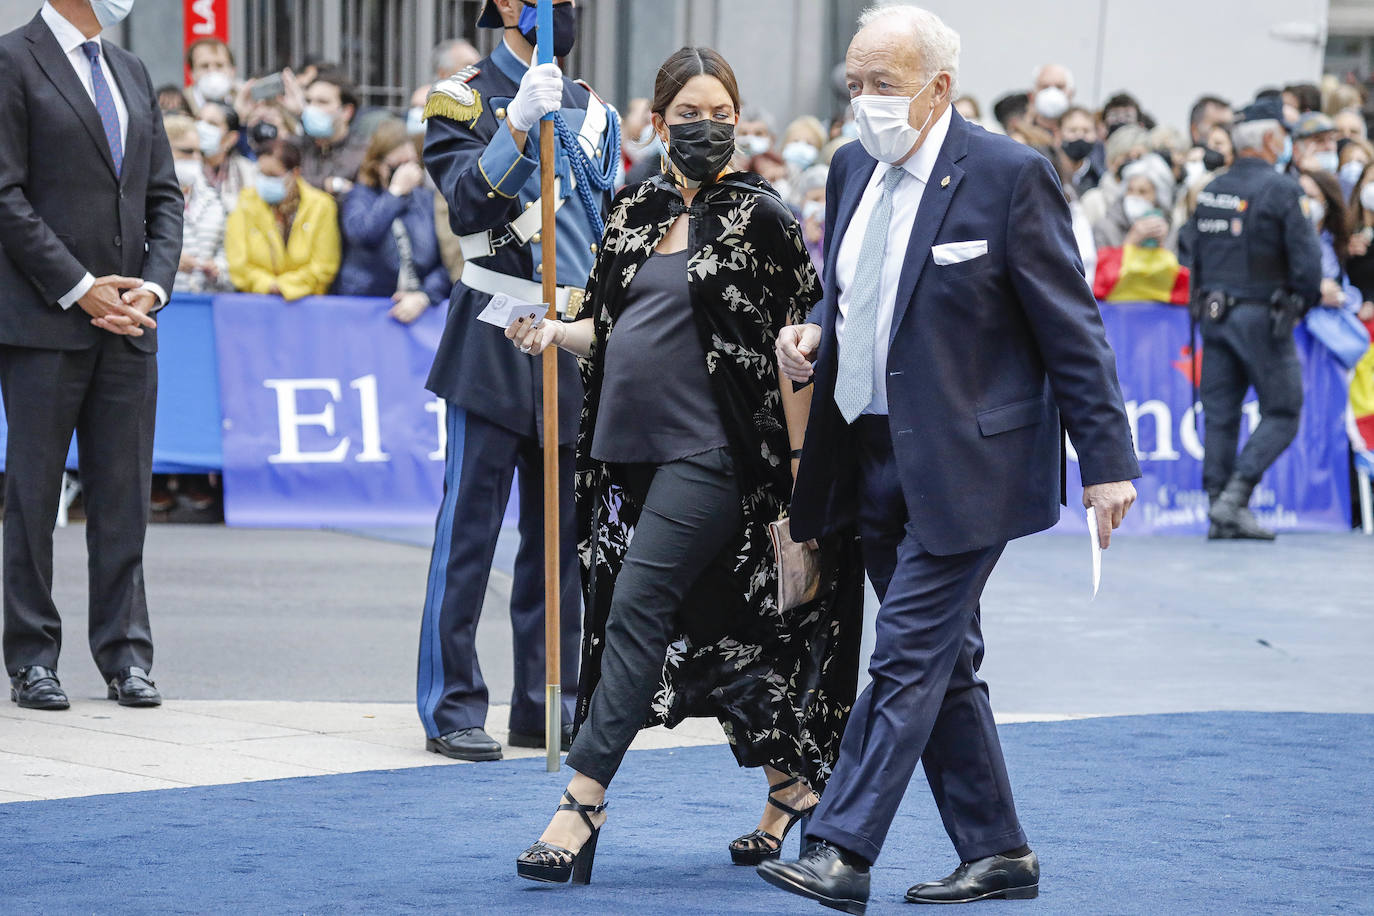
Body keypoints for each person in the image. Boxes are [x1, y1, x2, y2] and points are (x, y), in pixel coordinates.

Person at [759, 6, 1140, 911]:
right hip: (869, 456)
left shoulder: (1011, 176)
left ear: (939, 89)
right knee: (944, 663)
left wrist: (1105, 460)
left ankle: (841, 849)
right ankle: (999, 851)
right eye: (852, 85)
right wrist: (817, 330)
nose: (862, 104)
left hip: (973, 467)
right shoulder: (851, 167)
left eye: (881, 87)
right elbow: (851, 289)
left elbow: (1071, 330)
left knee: (904, 653)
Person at [508, 44, 862, 886]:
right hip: (627, 457)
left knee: (637, 606)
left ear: (740, 123)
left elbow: (803, 344)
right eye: (689, 115)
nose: (706, 129)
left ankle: (582, 802)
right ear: (657, 122)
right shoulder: (631, 211)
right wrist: (558, 333)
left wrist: (807, 469)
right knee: (721, 626)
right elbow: (609, 327)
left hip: (720, 454)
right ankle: (793, 790)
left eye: (721, 115)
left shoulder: (765, 218)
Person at [415, 0, 619, 762]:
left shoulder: (592, 109)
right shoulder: (461, 97)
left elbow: (603, 224)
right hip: (495, 330)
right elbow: (466, 200)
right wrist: (512, 132)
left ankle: (544, 700)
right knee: (467, 532)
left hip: (567, 339)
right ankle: (451, 704)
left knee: (560, 540)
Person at [0, 0, 184, 711]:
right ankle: (32, 658)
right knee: (34, 497)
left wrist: (154, 288)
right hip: (45, 323)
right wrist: (79, 287)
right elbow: (6, 194)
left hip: (131, 325)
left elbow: (163, 196)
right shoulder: (13, 61)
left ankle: (125, 654)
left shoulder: (132, 70)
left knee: (123, 498)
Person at [1179, 98, 1322, 541]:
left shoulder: (1211, 189)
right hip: (1262, 317)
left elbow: (1188, 252)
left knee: (1221, 414)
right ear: (1269, 140)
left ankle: (1218, 505)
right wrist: (1302, 303)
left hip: (1214, 314)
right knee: (1283, 410)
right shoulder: (1283, 190)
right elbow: (1307, 266)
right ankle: (1233, 500)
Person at [335, 120, 452, 323]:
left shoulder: (426, 200)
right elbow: (363, 235)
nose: (405, 172)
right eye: (397, 165)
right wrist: (395, 193)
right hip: (366, 308)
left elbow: (447, 260)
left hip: (417, 309)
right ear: (379, 165)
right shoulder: (360, 197)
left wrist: (424, 296)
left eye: (410, 164)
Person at [225, 139, 340, 300]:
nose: (264, 181)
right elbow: (237, 264)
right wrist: (267, 285)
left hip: (306, 303)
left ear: (295, 173)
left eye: (272, 175)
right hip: (255, 301)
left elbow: (324, 266)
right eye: (261, 174)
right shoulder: (245, 202)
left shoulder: (321, 206)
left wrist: (285, 287)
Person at [165, 114, 229, 294]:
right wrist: (166, 260)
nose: (195, 158)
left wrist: (218, 269)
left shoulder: (213, 198)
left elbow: (225, 249)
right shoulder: (139, 198)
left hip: (203, 303)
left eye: (199, 152)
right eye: (187, 151)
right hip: (160, 304)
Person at [299, 69, 367, 197]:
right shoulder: (298, 146)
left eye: (322, 102)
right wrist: (326, 185)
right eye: (308, 101)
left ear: (346, 111)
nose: (311, 109)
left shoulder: (363, 153)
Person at [198, 100, 256, 214]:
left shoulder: (247, 171)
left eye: (212, 123)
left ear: (231, 138)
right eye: (198, 120)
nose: (201, 127)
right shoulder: (183, 167)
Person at [183, 37, 237, 117]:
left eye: (219, 65)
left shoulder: (244, 99)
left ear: (233, 70)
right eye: (204, 66)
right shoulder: (182, 102)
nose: (212, 71)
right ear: (192, 73)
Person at [1061, 105, 1101, 193]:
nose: (1080, 136)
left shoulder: (1099, 177)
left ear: (1095, 135)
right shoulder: (1048, 172)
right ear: (1059, 133)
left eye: (1086, 131)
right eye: (1072, 130)